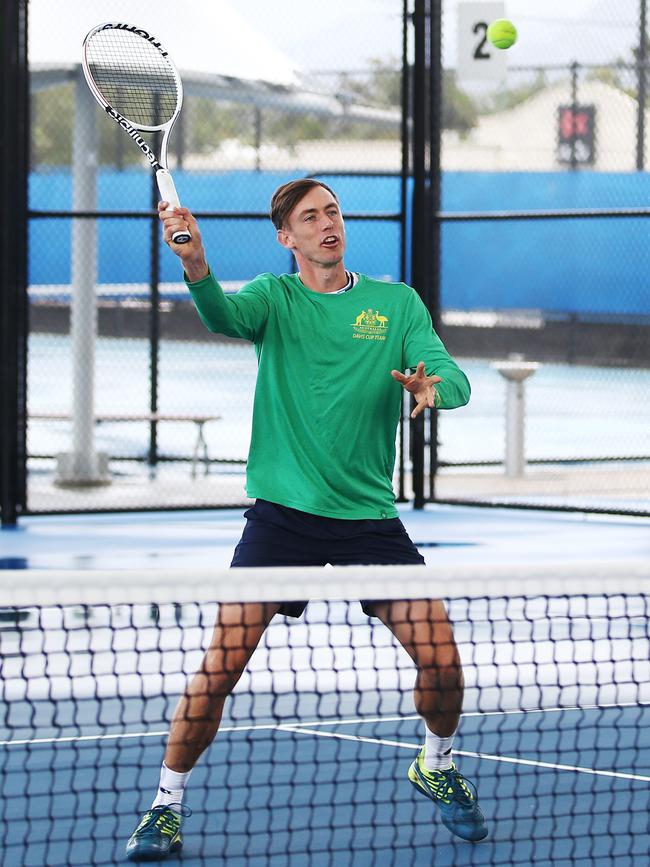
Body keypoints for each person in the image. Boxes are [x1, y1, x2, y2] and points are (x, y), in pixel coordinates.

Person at [125, 179, 487, 861]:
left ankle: (436, 762)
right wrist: (195, 264)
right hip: (282, 520)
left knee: (443, 663)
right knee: (221, 667)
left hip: (369, 520)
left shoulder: (395, 303)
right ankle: (164, 806)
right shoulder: (275, 297)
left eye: (334, 212)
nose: (329, 224)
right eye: (310, 217)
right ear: (286, 237)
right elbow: (222, 317)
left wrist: (433, 386)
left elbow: (455, 378)